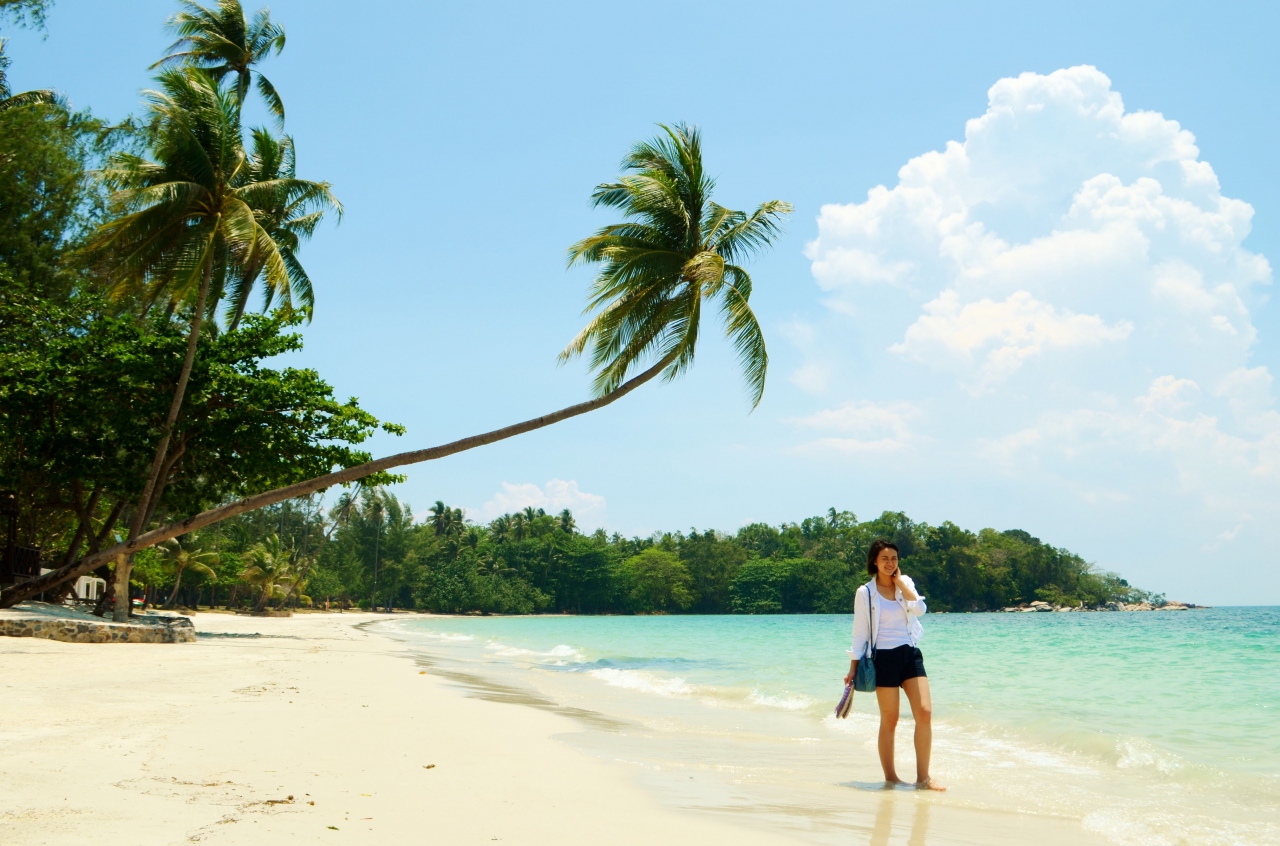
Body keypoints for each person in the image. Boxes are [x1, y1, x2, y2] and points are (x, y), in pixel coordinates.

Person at [844, 539, 945, 791]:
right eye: (885, 559)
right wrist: (853, 668)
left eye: (894, 559)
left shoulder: (905, 583)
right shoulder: (865, 593)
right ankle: (891, 778)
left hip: (909, 654)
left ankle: (923, 779)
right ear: (875, 562)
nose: (890, 563)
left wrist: (900, 583)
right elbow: (860, 633)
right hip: (883, 659)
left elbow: (920, 609)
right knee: (890, 720)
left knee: (924, 712)